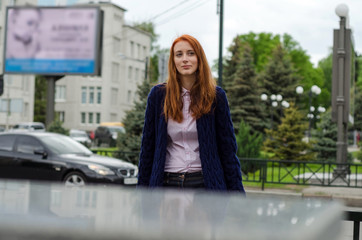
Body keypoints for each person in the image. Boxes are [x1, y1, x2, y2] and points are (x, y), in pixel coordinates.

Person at [137, 34, 245, 193]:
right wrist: (142, 194)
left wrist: (237, 196)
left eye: (190, 53)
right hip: (166, 185)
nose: (185, 59)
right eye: (179, 54)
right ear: (173, 61)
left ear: (199, 58)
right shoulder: (158, 95)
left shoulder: (216, 97)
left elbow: (227, 151)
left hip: (205, 185)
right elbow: (147, 148)